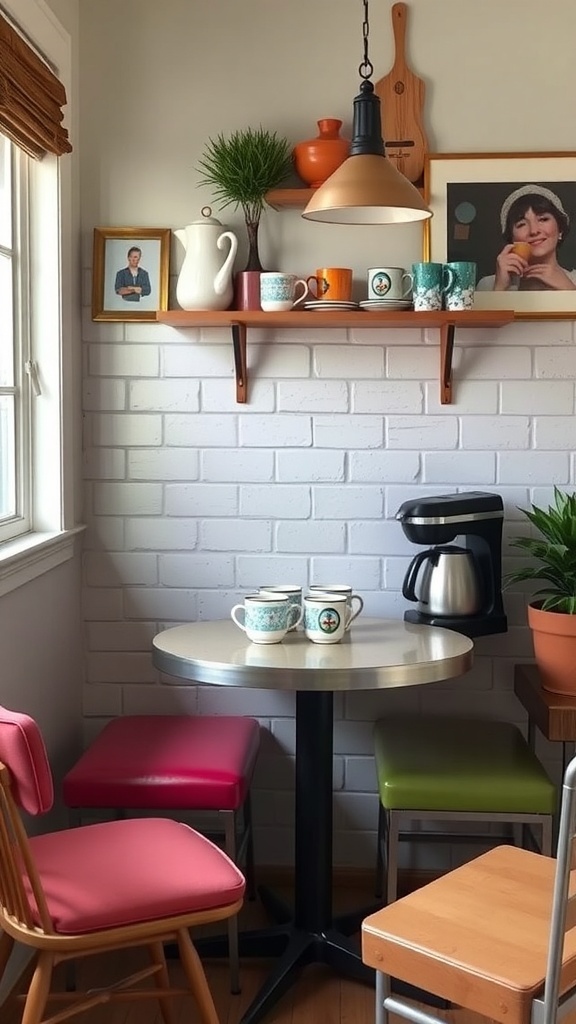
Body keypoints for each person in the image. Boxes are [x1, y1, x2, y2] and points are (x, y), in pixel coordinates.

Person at [476, 184, 576, 291]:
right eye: (521, 224)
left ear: (560, 229)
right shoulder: (488, 285)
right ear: (511, 238)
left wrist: (569, 289)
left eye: (543, 219)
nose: (534, 231)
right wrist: (500, 288)